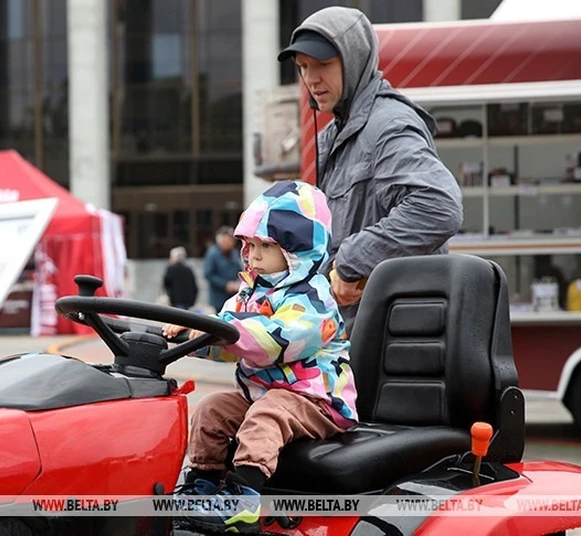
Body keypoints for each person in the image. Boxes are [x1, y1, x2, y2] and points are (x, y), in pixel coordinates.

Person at [162, 181, 357, 534]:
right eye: (249, 245)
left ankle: (242, 500)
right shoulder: (250, 291)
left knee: (267, 415)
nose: (252, 256)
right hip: (264, 396)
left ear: (297, 250)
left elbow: (273, 343)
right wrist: (194, 334)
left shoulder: (314, 298)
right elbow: (226, 337)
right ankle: (201, 486)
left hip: (316, 401)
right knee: (212, 408)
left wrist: (221, 328)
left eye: (265, 246)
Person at [277, 6, 463, 335]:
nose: (311, 79)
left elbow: (439, 206)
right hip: (354, 337)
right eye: (303, 67)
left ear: (354, 59)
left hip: (396, 343)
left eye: (322, 64)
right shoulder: (335, 135)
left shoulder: (388, 125)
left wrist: (352, 262)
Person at [202, 227, 243, 312]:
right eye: (229, 240)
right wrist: (226, 284)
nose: (231, 243)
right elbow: (208, 274)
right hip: (219, 296)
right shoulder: (212, 253)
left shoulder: (234, 253)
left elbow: (239, 268)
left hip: (234, 295)